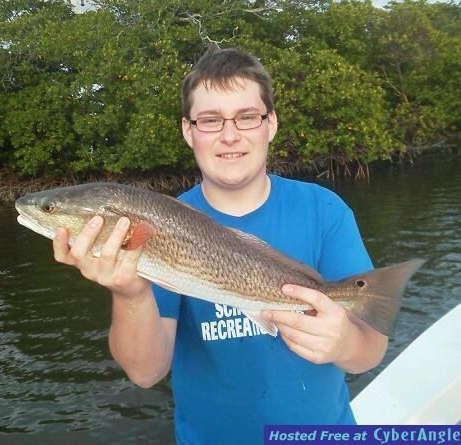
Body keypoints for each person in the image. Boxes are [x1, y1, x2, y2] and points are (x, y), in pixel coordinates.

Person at [53, 47, 388, 444]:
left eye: (247, 117)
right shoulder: (155, 227)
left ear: (272, 124)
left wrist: (344, 341)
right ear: (187, 130)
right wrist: (129, 292)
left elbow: (369, 353)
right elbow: (145, 373)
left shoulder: (325, 211)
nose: (230, 135)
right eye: (210, 120)